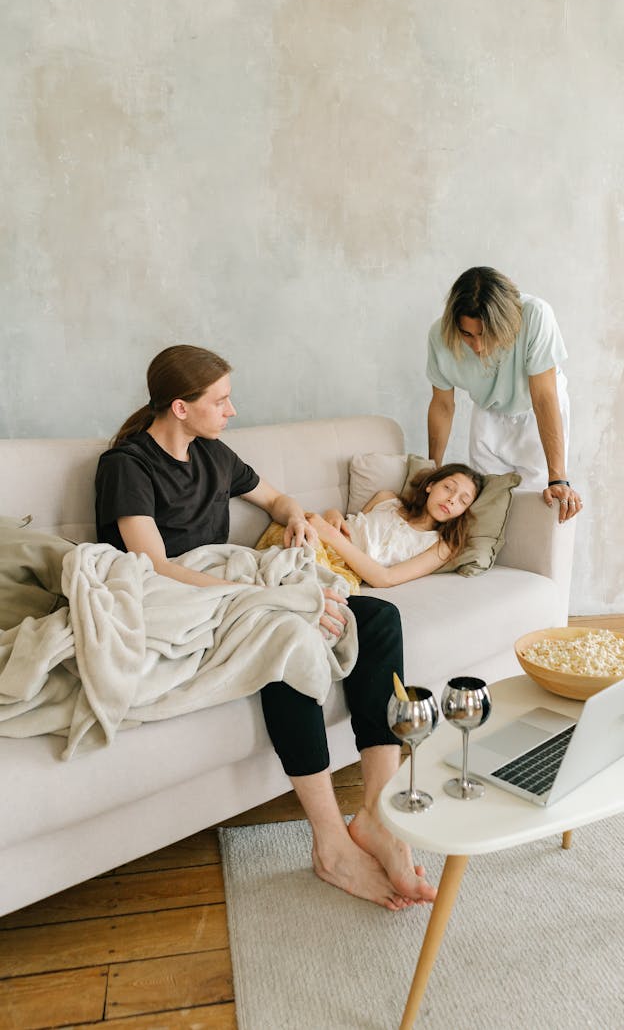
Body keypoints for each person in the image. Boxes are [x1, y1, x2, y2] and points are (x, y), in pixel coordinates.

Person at [95, 344, 436, 911]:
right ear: (180, 407)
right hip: (177, 597)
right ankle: (330, 842)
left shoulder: (214, 454)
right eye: (221, 400)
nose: (232, 410)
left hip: (233, 584)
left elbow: (277, 499)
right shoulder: (126, 466)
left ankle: (377, 813)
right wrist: (266, 599)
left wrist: (299, 520)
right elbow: (154, 566)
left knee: (377, 618)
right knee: (289, 636)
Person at [427, 266, 582, 523]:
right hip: (489, 411)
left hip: (536, 413)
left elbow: (543, 397)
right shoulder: (439, 336)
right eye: (467, 334)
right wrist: (432, 469)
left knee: (538, 508)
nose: (477, 346)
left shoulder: (536, 316)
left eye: (485, 334)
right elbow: (442, 406)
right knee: (486, 505)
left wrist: (558, 477)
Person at [305, 463, 483, 589]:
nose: (452, 499)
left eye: (463, 500)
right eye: (448, 488)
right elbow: (348, 525)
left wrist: (332, 536)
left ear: (464, 511)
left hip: (335, 570)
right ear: (431, 485)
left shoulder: (442, 546)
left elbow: (385, 579)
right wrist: (332, 513)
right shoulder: (386, 500)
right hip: (312, 539)